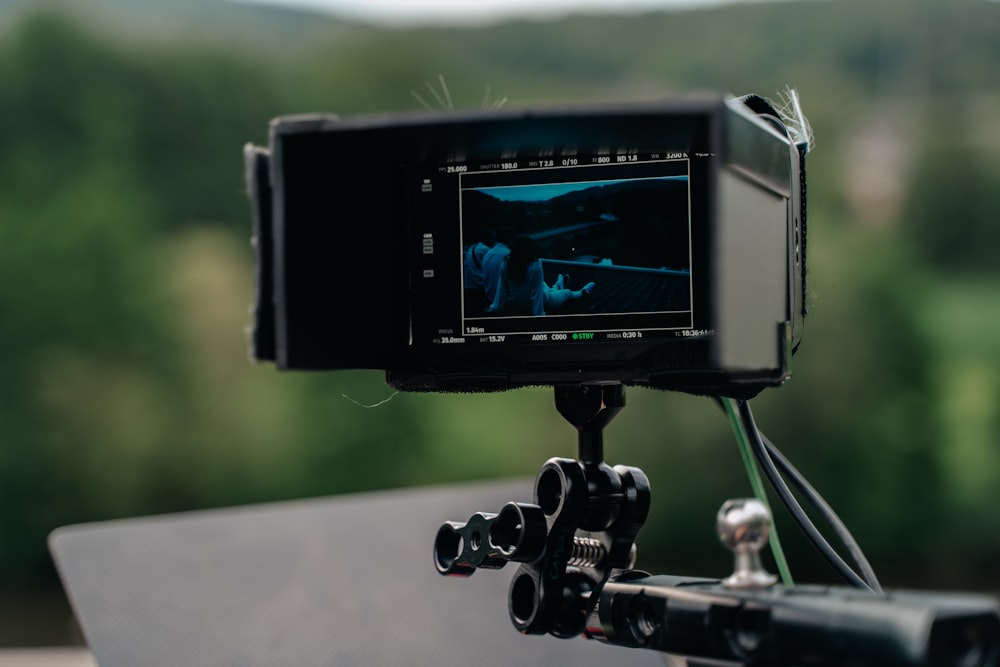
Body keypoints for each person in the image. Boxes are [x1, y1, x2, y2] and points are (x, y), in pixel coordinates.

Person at [486, 235, 594, 316]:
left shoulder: (506, 263)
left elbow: (502, 290)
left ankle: (558, 285)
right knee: (567, 293)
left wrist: (494, 308)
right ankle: (581, 292)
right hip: (546, 300)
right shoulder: (535, 264)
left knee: (543, 285)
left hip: (532, 297)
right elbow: (536, 295)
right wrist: (539, 315)